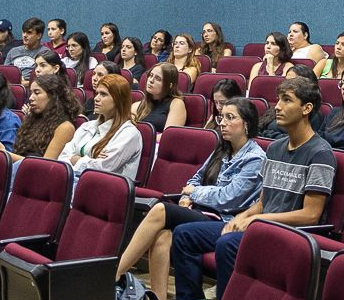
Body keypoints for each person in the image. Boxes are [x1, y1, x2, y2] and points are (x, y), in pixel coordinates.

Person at [172, 77, 333, 300]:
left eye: (287, 100)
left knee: (227, 244)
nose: (277, 106)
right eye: (278, 99)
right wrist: (242, 216)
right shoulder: (276, 148)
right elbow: (262, 203)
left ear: (306, 108)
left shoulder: (321, 153)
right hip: (261, 226)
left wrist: (257, 221)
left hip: (289, 234)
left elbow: (311, 215)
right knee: (184, 235)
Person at [114, 98, 266, 300]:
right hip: (202, 211)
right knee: (162, 236)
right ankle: (158, 296)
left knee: (161, 210)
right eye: (222, 117)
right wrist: (187, 195)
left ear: (246, 124)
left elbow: (228, 198)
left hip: (224, 220)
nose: (222, 123)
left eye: (231, 118)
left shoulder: (255, 158)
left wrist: (193, 193)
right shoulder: (222, 149)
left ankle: (114, 275)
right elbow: (195, 179)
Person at [58, 74, 142, 179]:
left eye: (103, 94)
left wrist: (75, 159)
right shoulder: (86, 126)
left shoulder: (129, 134)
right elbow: (62, 158)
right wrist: (90, 158)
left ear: (118, 100)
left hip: (105, 190)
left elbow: (102, 168)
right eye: (97, 93)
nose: (96, 98)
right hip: (73, 181)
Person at [0, 74, 80, 162]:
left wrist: (4, 153)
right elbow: (18, 152)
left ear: (53, 96)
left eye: (37, 93)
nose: (31, 98)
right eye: (31, 93)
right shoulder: (31, 119)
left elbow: (45, 164)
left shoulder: (65, 127)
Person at [132, 64, 187, 132]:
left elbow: (167, 136)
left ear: (169, 85)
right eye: (151, 75)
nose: (151, 80)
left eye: (158, 78)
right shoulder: (136, 106)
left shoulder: (176, 104)